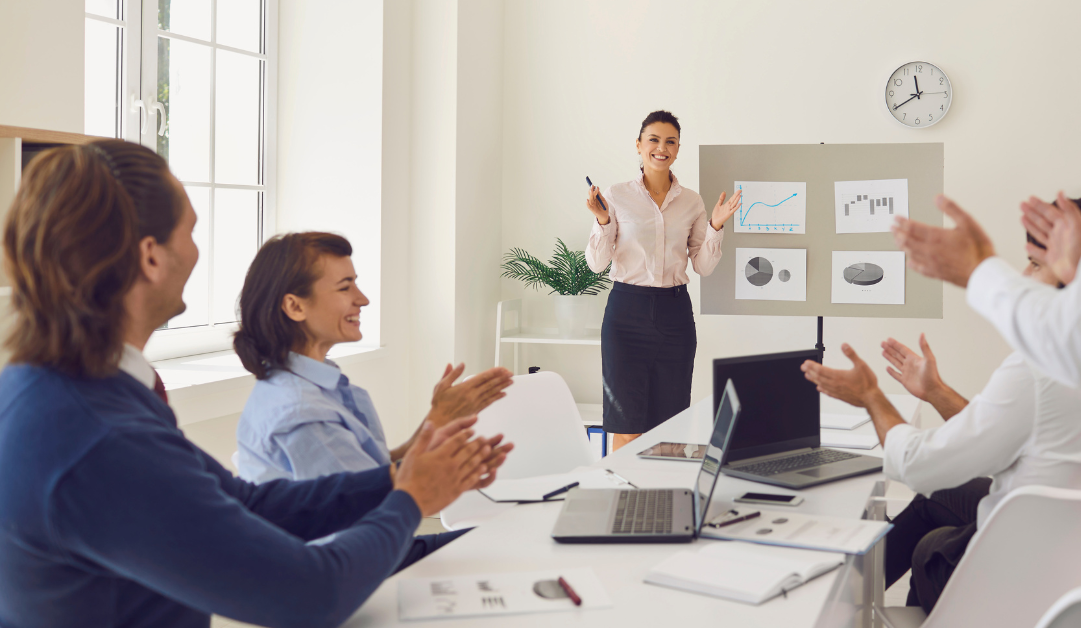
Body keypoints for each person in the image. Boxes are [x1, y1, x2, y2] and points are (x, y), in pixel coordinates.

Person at [0, 140, 507, 628]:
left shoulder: (61, 386)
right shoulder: (99, 438)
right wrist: (412, 498)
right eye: (191, 232)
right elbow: (310, 594)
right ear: (150, 256)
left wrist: (396, 480)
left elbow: (246, 503)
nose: (197, 253)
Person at [892, 80, 1081, 627]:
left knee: (932, 536)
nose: (1025, 275)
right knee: (940, 519)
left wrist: (976, 269)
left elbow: (1076, 352)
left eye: (1035, 263)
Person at [801, 197, 1081, 613]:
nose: (1022, 276)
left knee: (933, 546)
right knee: (942, 495)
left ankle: (835, 605)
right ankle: (849, 597)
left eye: (1034, 264)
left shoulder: (1040, 370)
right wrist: (935, 391)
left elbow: (918, 464)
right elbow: (1011, 435)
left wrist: (871, 397)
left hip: (1013, 583)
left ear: (1073, 273)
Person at [233, 231, 514, 483]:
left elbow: (375, 472)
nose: (363, 299)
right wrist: (449, 464)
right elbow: (368, 505)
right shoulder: (301, 414)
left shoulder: (316, 385)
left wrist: (438, 420)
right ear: (294, 306)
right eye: (345, 287)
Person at [584, 110, 741, 450]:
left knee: (671, 424)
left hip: (674, 315)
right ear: (639, 146)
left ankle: (664, 499)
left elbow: (703, 266)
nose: (661, 147)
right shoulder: (616, 195)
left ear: (678, 148)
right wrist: (602, 221)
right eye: (653, 139)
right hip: (626, 313)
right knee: (626, 424)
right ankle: (626, 498)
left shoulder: (692, 202)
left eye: (670, 141)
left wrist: (715, 226)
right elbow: (597, 264)